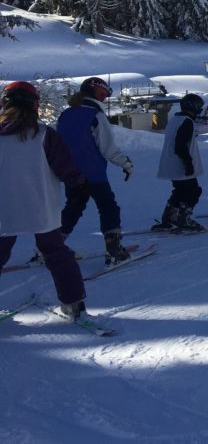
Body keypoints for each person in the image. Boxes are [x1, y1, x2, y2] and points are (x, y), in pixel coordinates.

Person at [0, 82, 94, 321]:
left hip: (4, 208)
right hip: (40, 205)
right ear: (35, 106)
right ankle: (73, 304)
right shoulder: (44, 135)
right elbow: (65, 167)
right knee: (56, 253)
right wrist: (80, 184)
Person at [56, 77, 135, 265]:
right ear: (95, 94)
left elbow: (57, 145)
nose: (105, 99)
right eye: (103, 95)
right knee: (108, 207)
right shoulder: (96, 116)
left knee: (73, 208)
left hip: (71, 174)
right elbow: (107, 149)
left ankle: (50, 246)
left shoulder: (65, 115)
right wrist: (126, 164)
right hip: (94, 174)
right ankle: (114, 250)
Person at [153, 94, 207, 232]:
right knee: (192, 192)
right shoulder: (187, 121)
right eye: (198, 107)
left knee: (180, 191)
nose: (200, 110)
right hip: (180, 164)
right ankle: (183, 219)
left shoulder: (175, 119)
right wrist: (188, 163)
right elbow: (180, 144)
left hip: (172, 163)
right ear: (193, 107)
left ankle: (169, 218)